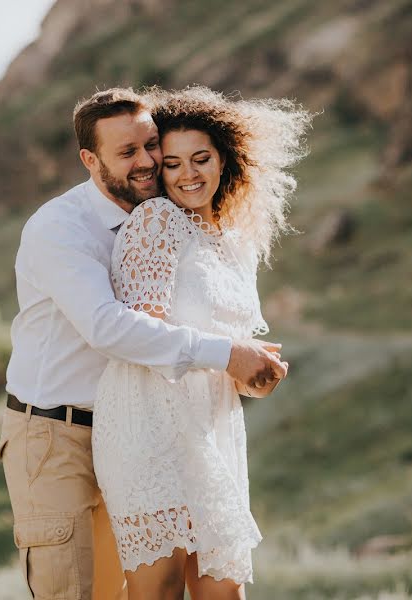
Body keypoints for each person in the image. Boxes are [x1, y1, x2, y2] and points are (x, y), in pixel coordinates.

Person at [0, 87, 288, 600]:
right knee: (78, 593)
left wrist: (246, 369)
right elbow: (109, 328)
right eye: (128, 152)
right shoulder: (61, 228)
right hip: (54, 431)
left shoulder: (172, 217)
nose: (150, 162)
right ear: (91, 159)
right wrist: (230, 355)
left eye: (151, 145)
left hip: (144, 425)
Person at [92, 86, 311, 600]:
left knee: (224, 590)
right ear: (159, 173)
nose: (188, 174)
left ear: (224, 160)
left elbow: (231, 358)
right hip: (149, 427)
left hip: (214, 428)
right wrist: (232, 357)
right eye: (172, 164)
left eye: (201, 159)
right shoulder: (157, 221)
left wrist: (255, 375)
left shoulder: (235, 242)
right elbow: (140, 337)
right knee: (160, 591)